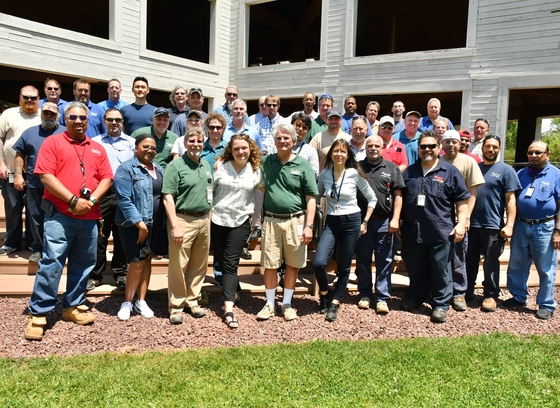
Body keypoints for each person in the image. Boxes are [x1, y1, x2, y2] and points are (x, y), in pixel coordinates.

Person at [24, 101, 113, 341]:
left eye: (82, 118)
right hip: (61, 215)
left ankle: (72, 305)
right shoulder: (53, 142)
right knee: (52, 262)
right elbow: (45, 175)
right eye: (72, 117)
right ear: (65, 119)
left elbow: (106, 178)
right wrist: (73, 201)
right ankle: (39, 312)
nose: (78, 121)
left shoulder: (97, 148)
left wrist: (92, 200)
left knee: (84, 263)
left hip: (90, 217)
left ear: (88, 120)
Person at [400, 131, 470, 323]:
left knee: (441, 269)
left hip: (440, 231)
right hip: (413, 231)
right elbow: (401, 198)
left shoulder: (450, 172)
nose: (427, 150)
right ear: (418, 149)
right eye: (423, 147)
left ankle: (441, 304)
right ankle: (416, 297)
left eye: (431, 146)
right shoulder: (409, 172)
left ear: (439, 148)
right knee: (415, 267)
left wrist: (462, 223)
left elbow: (462, 200)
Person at [257, 123, 318, 321]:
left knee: (293, 265)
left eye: (286, 138)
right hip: (271, 221)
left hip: (296, 222)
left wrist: (309, 226)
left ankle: (287, 304)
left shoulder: (303, 165)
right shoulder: (266, 162)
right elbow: (260, 184)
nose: (282, 141)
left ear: (293, 141)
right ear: (274, 142)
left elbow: (311, 198)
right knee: (270, 264)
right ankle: (269, 304)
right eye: (279, 138)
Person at [313, 139, 376, 322]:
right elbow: (316, 196)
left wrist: (364, 221)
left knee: (344, 266)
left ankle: (334, 302)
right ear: (331, 154)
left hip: (352, 221)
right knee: (318, 262)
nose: (339, 154)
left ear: (348, 155)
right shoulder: (325, 173)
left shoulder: (354, 174)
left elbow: (372, 199)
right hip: (332, 221)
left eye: (343, 151)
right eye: (336, 151)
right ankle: (325, 293)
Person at [163, 127, 213, 324]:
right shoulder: (175, 166)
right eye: (191, 141)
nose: (196, 144)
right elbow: (168, 197)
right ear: (184, 144)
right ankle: (176, 306)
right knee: (178, 265)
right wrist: (175, 225)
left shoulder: (206, 165)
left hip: (204, 220)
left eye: (199, 141)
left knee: (199, 264)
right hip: (183, 220)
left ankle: (192, 300)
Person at [212, 134, 263, 328]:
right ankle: (235, 289)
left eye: (244, 148)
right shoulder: (220, 167)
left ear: (250, 149)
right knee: (221, 260)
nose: (241, 152)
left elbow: (260, 196)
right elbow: (211, 191)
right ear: (230, 151)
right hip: (217, 219)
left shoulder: (257, 170)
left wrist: (256, 222)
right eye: (236, 149)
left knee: (230, 263)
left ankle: (228, 309)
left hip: (241, 221)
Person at [505, 140, 560, 320]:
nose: (534, 156)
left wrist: (558, 231)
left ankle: (546, 304)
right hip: (522, 225)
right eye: (530, 152)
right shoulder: (521, 173)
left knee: (545, 267)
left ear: (547, 155)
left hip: (545, 226)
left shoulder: (556, 175)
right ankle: (519, 296)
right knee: (517, 264)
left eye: (538, 152)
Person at [114, 134, 167, 320]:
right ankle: (127, 302)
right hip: (133, 225)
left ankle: (141, 301)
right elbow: (124, 200)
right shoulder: (126, 169)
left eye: (153, 148)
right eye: (145, 146)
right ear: (136, 148)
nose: (149, 150)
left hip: (155, 223)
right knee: (136, 262)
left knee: (147, 261)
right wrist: (140, 224)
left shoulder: (158, 169)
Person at [466, 135, 520, 312]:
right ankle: (467, 291)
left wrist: (509, 224)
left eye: (494, 147)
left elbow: (511, 200)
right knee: (469, 259)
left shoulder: (506, 170)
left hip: (492, 225)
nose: (490, 150)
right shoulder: (475, 167)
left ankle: (491, 294)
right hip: (471, 224)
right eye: (487, 146)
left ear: (499, 148)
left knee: (491, 261)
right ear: (482, 148)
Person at [355, 135, 404, 314]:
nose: (373, 148)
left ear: (382, 147)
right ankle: (365, 294)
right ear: (365, 148)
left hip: (385, 221)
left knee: (385, 260)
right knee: (363, 259)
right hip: (363, 222)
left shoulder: (392, 168)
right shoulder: (357, 167)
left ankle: (382, 298)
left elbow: (398, 195)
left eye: (377, 145)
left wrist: (396, 218)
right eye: (370, 145)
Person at [88, 108, 135, 291]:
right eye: (110, 119)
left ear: (122, 122)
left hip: (124, 193)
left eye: (117, 120)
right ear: (104, 121)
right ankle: (95, 275)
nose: (114, 123)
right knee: (100, 235)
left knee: (121, 236)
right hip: (101, 193)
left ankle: (120, 273)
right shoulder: (95, 143)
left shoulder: (131, 143)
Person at [12, 102, 66, 262]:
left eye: (52, 114)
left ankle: (57, 247)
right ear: (41, 114)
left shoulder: (65, 133)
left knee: (59, 215)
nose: (49, 117)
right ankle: (38, 247)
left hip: (59, 185)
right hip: (35, 183)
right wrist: (17, 175)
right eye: (46, 113)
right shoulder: (29, 133)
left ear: (58, 116)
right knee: (35, 215)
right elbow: (20, 155)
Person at [440, 130, 485, 312]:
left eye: (455, 142)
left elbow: (473, 192)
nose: (451, 145)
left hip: (460, 216)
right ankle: (441, 290)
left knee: (459, 255)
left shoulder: (468, 162)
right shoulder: (438, 161)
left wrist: (465, 218)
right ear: (442, 144)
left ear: (460, 144)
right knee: (441, 257)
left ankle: (459, 293)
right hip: (440, 217)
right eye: (448, 142)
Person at [0, 85, 42, 256]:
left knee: (35, 209)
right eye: (26, 97)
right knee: (13, 208)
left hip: (35, 173)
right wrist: (1, 164)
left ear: (39, 99)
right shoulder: (8, 114)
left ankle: (33, 244)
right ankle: (11, 242)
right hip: (10, 170)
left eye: (33, 98)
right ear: (20, 97)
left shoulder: (44, 115)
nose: (30, 100)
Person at [309, 108, 351, 172]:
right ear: (326, 120)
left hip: (344, 179)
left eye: (336, 119)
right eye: (330, 119)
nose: (333, 121)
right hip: (323, 179)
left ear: (341, 120)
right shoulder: (318, 137)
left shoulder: (348, 138)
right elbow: (309, 157)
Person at [291, 113, 319, 178]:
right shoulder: (280, 145)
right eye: (298, 125)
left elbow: (314, 176)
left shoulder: (311, 151)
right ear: (291, 125)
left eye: (305, 127)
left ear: (308, 131)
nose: (300, 129)